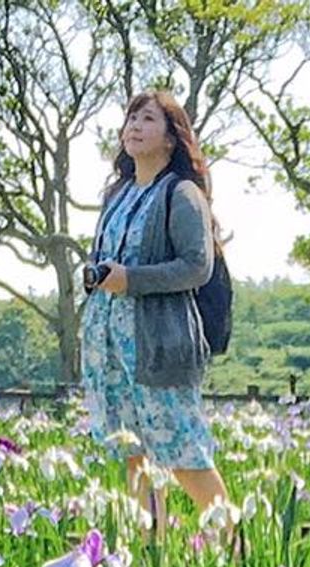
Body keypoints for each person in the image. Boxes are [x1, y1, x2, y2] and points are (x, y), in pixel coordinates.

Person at [81, 89, 229, 528]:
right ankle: (151, 562)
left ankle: (237, 557)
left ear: (171, 137)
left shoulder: (181, 194)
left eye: (147, 120)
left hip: (158, 347)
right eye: (130, 120)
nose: (134, 128)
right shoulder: (119, 195)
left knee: (184, 451)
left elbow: (197, 266)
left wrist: (132, 280)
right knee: (134, 454)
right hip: (109, 346)